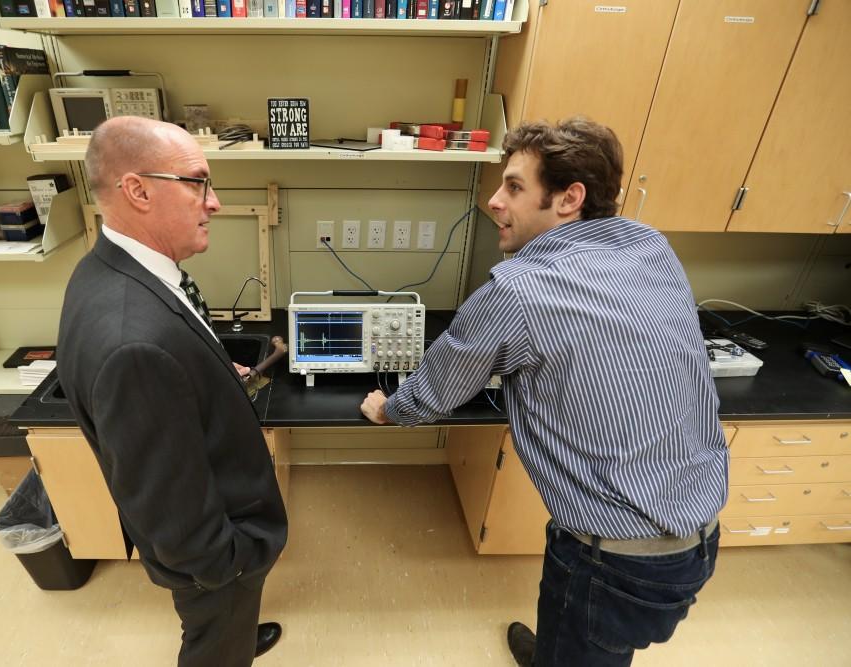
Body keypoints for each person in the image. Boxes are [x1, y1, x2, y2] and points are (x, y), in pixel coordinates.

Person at [360, 117, 728, 666]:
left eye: (513, 186)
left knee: (585, 645)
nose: (493, 201)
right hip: (699, 535)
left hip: (612, 560)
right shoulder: (651, 247)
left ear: (568, 198)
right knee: (600, 646)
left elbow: (439, 387)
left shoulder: (519, 290)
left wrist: (389, 408)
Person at [57, 116, 288, 667]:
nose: (214, 203)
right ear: (136, 190)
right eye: (197, 182)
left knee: (224, 622)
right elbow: (174, 514)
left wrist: (205, 372)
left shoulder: (108, 270)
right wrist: (228, 566)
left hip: (209, 520)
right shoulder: (133, 345)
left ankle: (232, 624)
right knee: (216, 643)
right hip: (216, 554)